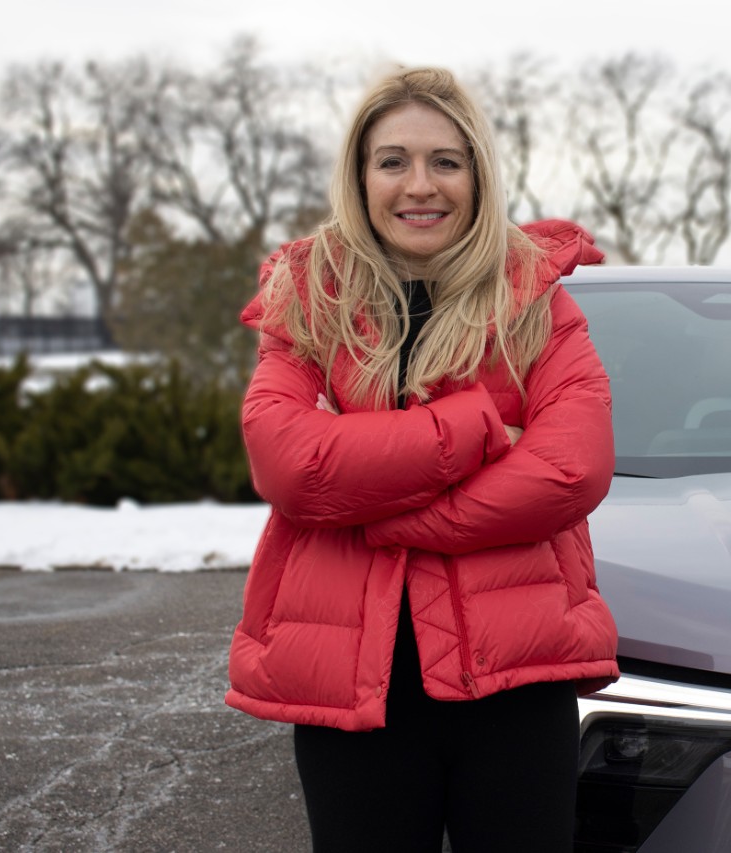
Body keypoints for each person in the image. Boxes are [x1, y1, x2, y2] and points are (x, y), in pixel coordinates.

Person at [224, 67, 620, 852]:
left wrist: (369, 503)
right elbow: (290, 465)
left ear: (477, 173)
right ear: (359, 175)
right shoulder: (309, 299)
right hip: (351, 686)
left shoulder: (535, 298)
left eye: (446, 160)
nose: (420, 185)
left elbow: (572, 469)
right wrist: (475, 428)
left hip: (518, 678)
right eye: (393, 160)